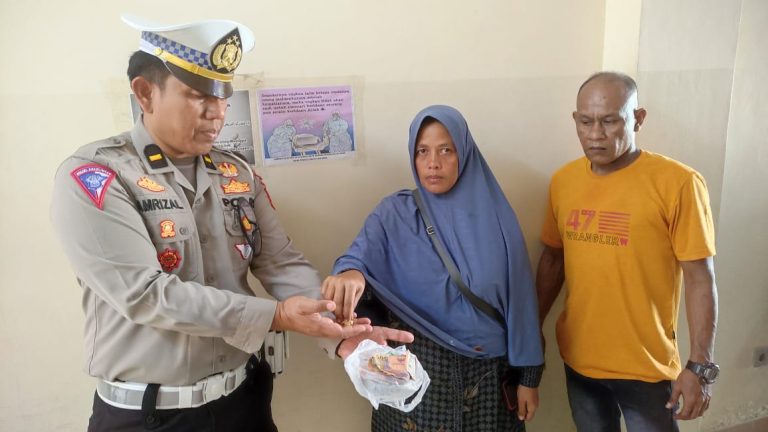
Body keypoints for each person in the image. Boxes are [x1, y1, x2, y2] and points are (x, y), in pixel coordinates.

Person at [50, 14, 412, 432]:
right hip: (148, 416)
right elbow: (145, 295)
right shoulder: (98, 177)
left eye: (223, 97)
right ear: (145, 93)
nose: (216, 113)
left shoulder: (236, 173)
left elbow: (280, 262)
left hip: (243, 403)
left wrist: (343, 335)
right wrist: (276, 316)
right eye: (197, 95)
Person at [321, 105, 544, 432]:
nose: (433, 163)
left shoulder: (496, 220)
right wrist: (350, 273)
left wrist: (529, 378)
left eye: (446, 150)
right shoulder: (395, 214)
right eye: (422, 151)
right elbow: (356, 260)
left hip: (486, 381)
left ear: (464, 153)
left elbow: (521, 302)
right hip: (412, 375)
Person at [536, 71, 719, 432]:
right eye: (585, 121)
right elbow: (553, 260)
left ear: (637, 119)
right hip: (580, 361)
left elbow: (700, 278)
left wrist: (700, 366)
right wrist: (533, 327)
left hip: (646, 368)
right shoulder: (563, 182)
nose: (595, 134)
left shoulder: (678, 183)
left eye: (609, 121)